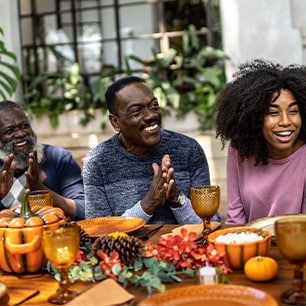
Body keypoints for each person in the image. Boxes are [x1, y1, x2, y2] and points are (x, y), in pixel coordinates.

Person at [83, 75, 220, 224]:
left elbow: (210, 223)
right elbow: (98, 230)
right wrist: (147, 205)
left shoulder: (188, 150)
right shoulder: (98, 162)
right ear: (115, 122)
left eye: (154, 105)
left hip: (187, 246)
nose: (151, 115)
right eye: (137, 111)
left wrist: (176, 198)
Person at [215, 58, 306, 224]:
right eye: (273, 113)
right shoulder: (239, 151)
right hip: (251, 244)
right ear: (255, 118)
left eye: (293, 111)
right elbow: (235, 220)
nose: (286, 121)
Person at [0, 100, 85, 220]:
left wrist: (40, 189)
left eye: (24, 126)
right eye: (9, 131)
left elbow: (84, 209)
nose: (20, 134)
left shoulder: (58, 158)